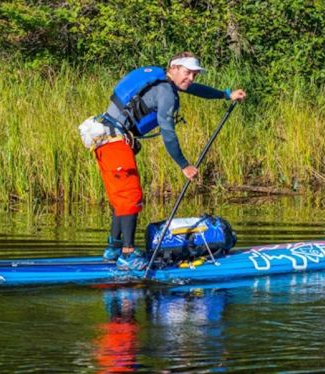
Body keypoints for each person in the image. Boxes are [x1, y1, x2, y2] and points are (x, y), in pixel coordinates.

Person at [93, 52, 246, 270]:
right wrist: (184, 165)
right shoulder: (165, 92)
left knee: (122, 197)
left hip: (106, 138)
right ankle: (127, 254)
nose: (191, 78)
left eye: (194, 74)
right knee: (129, 197)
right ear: (173, 68)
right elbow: (167, 132)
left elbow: (194, 89)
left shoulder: (163, 82)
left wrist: (225, 94)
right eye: (187, 73)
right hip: (114, 142)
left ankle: (114, 248)